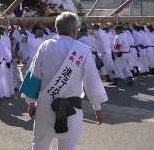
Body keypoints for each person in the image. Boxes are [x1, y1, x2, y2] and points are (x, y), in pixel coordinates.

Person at [20, 12, 108, 150]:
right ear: (74, 30)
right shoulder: (82, 51)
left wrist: (31, 103)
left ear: (57, 28)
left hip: (45, 106)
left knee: (40, 145)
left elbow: (34, 75)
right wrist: (97, 108)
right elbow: (92, 82)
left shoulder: (45, 46)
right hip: (72, 110)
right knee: (68, 146)